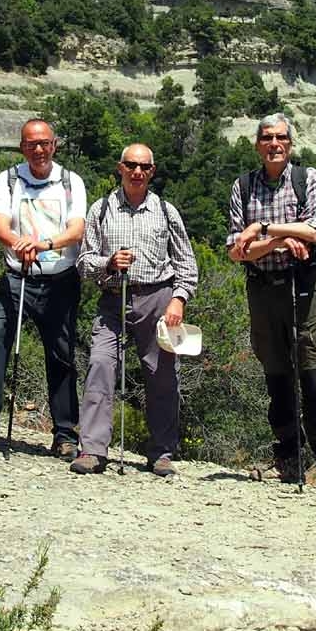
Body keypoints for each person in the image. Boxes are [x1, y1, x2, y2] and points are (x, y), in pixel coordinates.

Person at [226, 113, 316, 491]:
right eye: (267, 138)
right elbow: (236, 251)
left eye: (281, 138)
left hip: (303, 286)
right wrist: (281, 240)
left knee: (312, 372)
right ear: (257, 144)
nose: (274, 144)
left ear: (290, 144)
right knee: (276, 374)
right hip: (262, 289)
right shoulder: (243, 187)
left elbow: (314, 230)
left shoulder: (308, 180)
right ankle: (288, 458)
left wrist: (262, 230)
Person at [72, 143, 198, 477]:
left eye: (144, 167)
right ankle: (93, 449)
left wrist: (178, 300)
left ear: (152, 172)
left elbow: (187, 263)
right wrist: (108, 263)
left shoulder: (166, 212)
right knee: (100, 364)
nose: (137, 172)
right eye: (131, 165)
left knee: (162, 376)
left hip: (158, 298)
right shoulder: (101, 210)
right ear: (120, 168)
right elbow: (84, 262)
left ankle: (162, 453)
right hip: (113, 299)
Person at [0, 119, 86, 455]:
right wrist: (20, 244)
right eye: (31, 143)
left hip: (60, 280)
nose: (39, 149)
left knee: (61, 354)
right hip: (16, 276)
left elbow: (76, 230)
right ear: (22, 146)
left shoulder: (70, 181)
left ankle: (65, 433)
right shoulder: (9, 179)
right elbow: (0, 223)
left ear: (54, 145)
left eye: (45, 143)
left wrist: (43, 245)